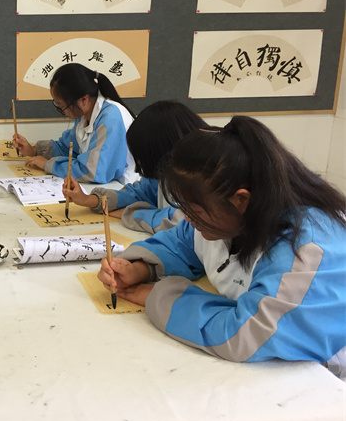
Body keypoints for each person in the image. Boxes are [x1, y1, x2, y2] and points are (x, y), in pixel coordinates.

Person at [97, 116, 346, 376]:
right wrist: (139, 268)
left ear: (241, 200)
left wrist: (158, 296)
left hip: (323, 379)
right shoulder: (229, 213)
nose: (188, 221)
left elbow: (244, 334)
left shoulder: (305, 248)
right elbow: (182, 242)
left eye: (195, 213)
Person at [63, 101, 207, 234]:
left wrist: (131, 213)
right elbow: (141, 192)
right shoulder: (169, 168)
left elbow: (180, 221)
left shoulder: (203, 178)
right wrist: (90, 199)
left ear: (162, 152)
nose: (139, 166)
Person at [12, 63, 138, 185]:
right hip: (106, 186)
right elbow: (68, 148)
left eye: (62, 105)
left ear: (83, 100)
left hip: (125, 187)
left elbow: (93, 171)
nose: (62, 110)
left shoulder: (111, 119)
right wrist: (34, 150)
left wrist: (47, 165)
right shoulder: (84, 115)